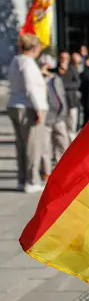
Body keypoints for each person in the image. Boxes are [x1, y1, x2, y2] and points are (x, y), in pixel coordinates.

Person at [6, 35, 48, 193]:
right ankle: (31, 181)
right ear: (34, 48)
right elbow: (30, 87)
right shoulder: (28, 62)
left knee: (22, 145)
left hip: (15, 104)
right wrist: (38, 109)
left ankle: (22, 179)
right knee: (33, 146)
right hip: (29, 106)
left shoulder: (15, 61)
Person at [39, 55, 70, 172]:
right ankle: (46, 171)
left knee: (63, 143)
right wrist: (41, 74)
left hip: (59, 116)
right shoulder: (38, 79)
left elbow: (62, 94)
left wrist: (64, 110)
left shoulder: (56, 78)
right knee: (45, 146)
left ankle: (61, 169)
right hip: (45, 118)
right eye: (44, 65)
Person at [58, 50, 82, 139]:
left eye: (66, 58)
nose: (64, 60)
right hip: (60, 103)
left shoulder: (72, 69)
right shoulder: (56, 70)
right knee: (62, 127)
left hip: (72, 102)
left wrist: (63, 86)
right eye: (62, 58)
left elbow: (77, 84)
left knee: (72, 126)